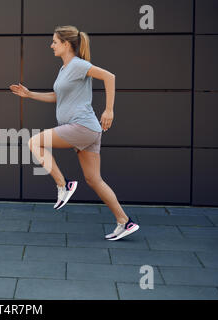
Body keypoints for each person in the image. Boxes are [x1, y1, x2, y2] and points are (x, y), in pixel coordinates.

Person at [9, 25, 139, 241]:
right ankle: (125, 221)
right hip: (87, 131)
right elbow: (57, 96)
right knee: (94, 180)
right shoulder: (64, 69)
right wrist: (30, 95)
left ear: (66, 44)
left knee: (34, 142)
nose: (51, 45)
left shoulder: (78, 65)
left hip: (82, 127)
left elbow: (110, 77)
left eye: (54, 42)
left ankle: (64, 184)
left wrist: (109, 109)